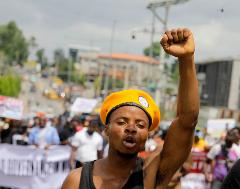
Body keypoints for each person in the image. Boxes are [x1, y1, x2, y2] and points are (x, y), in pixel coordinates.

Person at [61, 27, 199, 189]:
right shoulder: (77, 181)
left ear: (147, 135)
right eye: (122, 122)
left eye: (140, 125)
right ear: (106, 129)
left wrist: (186, 58)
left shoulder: (150, 175)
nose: (131, 128)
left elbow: (187, 121)